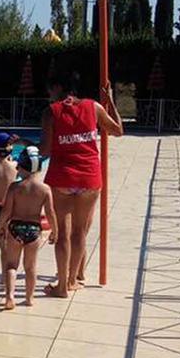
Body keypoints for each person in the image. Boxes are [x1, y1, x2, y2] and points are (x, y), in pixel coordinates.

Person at [41, 73, 123, 297]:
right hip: (89, 178)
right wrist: (111, 102)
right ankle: (71, 281)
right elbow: (118, 130)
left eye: (50, 91)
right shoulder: (94, 107)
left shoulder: (51, 112)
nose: (49, 96)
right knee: (80, 233)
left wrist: (27, 144)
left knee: (62, 234)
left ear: (58, 87)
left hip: (62, 178)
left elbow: (45, 151)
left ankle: (60, 287)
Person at [0, 146, 58, 310]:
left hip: (15, 228)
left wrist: (0, 228)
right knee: (30, 267)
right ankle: (29, 298)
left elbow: (6, 211)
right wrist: (55, 231)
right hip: (34, 231)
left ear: (22, 168)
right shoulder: (45, 189)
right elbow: (51, 213)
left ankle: (10, 297)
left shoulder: (15, 187)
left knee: (11, 265)